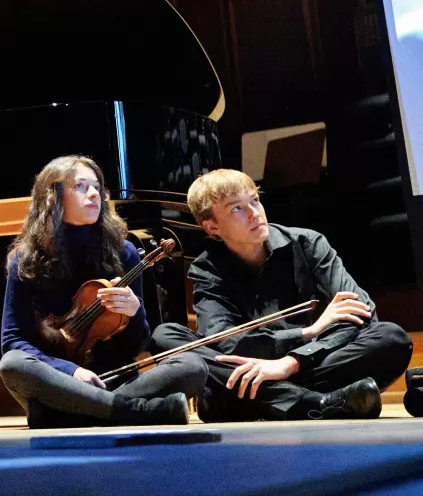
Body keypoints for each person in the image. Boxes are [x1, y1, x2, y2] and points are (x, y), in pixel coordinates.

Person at [148, 169, 412, 421]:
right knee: (166, 336)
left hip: (310, 361)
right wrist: (306, 332)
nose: (254, 214)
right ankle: (314, 403)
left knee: (391, 337)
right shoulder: (207, 270)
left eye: (254, 201)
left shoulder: (308, 244)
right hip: (251, 364)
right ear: (212, 227)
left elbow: (362, 313)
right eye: (237, 208)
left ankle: (243, 401)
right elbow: (223, 341)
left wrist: (291, 362)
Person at [0, 155, 204, 427]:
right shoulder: (25, 259)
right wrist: (70, 371)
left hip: (116, 378)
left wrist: (134, 313)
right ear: (53, 197)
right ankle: (136, 412)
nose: (95, 194)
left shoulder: (124, 252)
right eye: (81, 186)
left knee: (193, 366)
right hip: (58, 381)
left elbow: (137, 344)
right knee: (12, 364)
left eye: (97, 187)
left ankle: (67, 416)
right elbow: (12, 340)